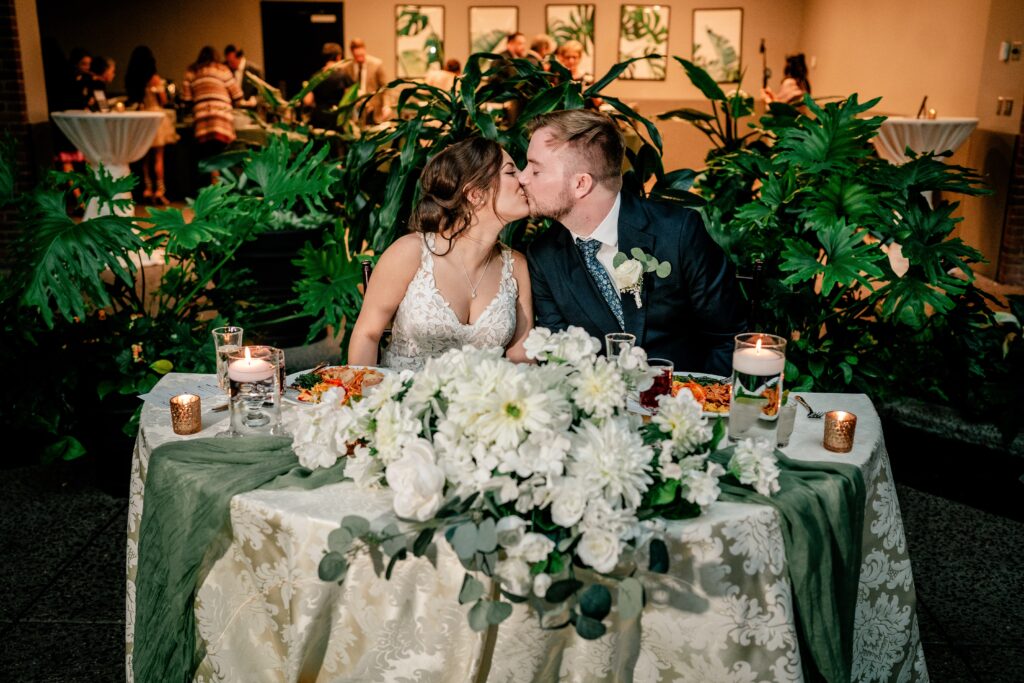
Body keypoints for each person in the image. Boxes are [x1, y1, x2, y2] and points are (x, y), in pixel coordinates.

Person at [520, 109, 747, 376]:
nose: (522, 178)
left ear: (581, 184)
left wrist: (697, 401)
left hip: (687, 403)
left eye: (535, 170)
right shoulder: (543, 256)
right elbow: (559, 356)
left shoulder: (677, 233)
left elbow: (729, 338)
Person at [348, 137, 534, 370]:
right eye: (510, 172)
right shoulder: (409, 253)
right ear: (475, 194)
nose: (524, 179)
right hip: (402, 399)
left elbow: (522, 357)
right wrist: (365, 399)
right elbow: (367, 334)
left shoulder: (516, 266)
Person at [125, 46, 178, 205]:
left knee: (145, 158)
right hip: (156, 117)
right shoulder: (155, 78)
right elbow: (163, 100)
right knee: (158, 157)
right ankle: (159, 190)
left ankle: (147, 189)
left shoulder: (134, 79)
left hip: (142, 117)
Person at [181, 46, 243, 179]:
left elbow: (186, 99)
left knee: (210, 155)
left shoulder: (191, 72)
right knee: (222, 155)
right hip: (222, 118)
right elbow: (238, 95)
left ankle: (215, 187)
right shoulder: (222, 69)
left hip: (203, 120)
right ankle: (223, 188)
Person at [339, 38, 390, 126]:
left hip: (373, 111)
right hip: (355, 111)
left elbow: (386, 87)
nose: (360, 58)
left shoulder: (376, 65)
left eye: (361, 55)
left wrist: (386, 105)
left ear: (364, 50)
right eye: (357, 56)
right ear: (352, 53)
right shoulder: (347, 68)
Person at [302, 42, 352, 130]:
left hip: (318, 118)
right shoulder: (343, 75)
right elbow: (349, 98)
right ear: (338, 57)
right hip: (336, 118)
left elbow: (307, 101)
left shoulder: (316, 76)